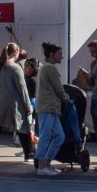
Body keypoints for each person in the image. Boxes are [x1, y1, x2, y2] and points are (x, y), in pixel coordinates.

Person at [33, 43, 67, 177]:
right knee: (46, 136)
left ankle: (46, 163)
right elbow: (59, 88)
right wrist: (65, 97)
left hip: (49, 107)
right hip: (48, 107)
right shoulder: (50, 68)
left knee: (59, 136)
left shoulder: (43, 67)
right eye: (59, 54)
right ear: (52, 55)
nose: (62, 57)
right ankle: (42, 166)